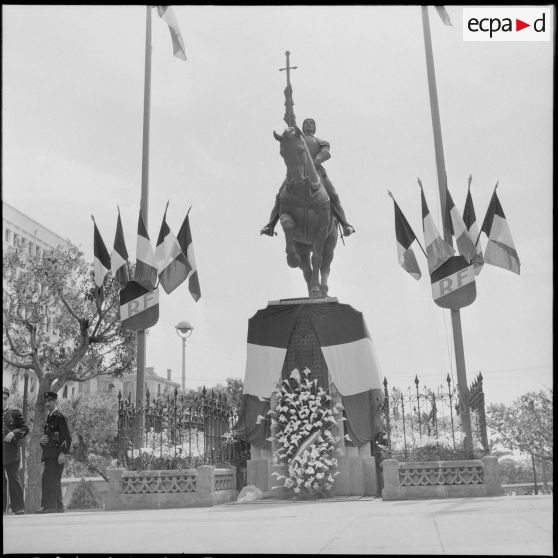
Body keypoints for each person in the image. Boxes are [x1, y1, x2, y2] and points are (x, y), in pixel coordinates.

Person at [261, 117, 356, 237]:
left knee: (333, 195)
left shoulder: (322, 142)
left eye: (311, 123)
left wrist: (316, 160)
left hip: (317, 172)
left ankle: (345, 224)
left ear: (315, 127)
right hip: (297, 171)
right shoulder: (297, 140)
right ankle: (270, 225)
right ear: (302, 127)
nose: (309, 124)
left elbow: (325, 153)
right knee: (280, 196)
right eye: (306, 123)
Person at [37, 392, 71, 513]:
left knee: (52, 480)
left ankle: (50, 507)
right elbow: (49, 438)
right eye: (46, 401)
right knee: (49, 480)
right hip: (49, 454)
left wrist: (63, 453)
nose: (47, 404)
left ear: (55, 401)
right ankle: (57, 507)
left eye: (50, 401)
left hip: (57, 454)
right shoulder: (50, 417)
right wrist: (42, 441)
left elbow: (66, 436)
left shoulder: (60, 417)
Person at [3, 387, 29, 515]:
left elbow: (25, 429)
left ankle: (18, 508)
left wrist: (14, 433)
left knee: (14, 480)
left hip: (12, 453)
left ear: (7, 399)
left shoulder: (14, 413)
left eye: (4, 398)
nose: (2, 401)